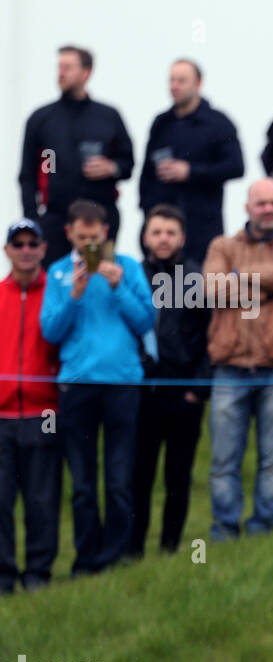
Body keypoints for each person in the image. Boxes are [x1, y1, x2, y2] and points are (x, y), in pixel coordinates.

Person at [40, 199, 155, 574]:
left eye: (94, 236)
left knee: (120, 480)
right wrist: (74, 295)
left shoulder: (129, 267)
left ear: (106, 233)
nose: (88, 242)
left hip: (123, 384)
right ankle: (86, 561)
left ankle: (116, 558)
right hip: (77, 387)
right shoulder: (57, 273)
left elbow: (145, 322)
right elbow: (50, 332)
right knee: (83, 484)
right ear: (69, 233)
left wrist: (119, 285)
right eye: (81, 236)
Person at [203, 179, 273, 540]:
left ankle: (264, 528)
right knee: (222, 461)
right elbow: (212, 289)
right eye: (260, 203)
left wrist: (241, 276)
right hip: (230, 366)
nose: (267, 209)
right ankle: (225, 529)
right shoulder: (222, 245)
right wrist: (268, 284)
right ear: (247, 208)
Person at [128, 204, 211, 557]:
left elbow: (211, 336)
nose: (163, 239)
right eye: (156, 232)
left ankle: (170, 547)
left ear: (183, 238)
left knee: (178, 476)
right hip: (142, 393)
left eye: (170, 232)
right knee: (139, 476)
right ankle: (132, 550)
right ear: (145, 236)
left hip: (184, 393)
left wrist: (198, 389)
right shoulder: (132, 276)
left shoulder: (196, 278)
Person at [19, 46, 134, 265]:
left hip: (100, 221)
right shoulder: (42, 119)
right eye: (59, 67)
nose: (61, 73)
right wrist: (34, 220)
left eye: (68, 67)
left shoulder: (108, 116)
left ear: (86, 72)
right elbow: (27, 175)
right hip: (55, 221)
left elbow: (128, 164)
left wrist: (112, 168)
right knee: (56, 283)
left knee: (100, 283)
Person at [0, 219, 60, 593]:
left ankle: (39, 573)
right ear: (7, 250)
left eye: (31, 243)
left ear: (42, 248)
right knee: (0, 503)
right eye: (17, 243)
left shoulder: (56, 294)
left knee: (42, 500)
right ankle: (4, 577)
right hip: (1, 415)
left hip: (45, 413)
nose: (25, 250)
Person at [138, 59, 244, 262]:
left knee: (198, 289)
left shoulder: (219, 123)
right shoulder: (161, 123)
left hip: (202, 227)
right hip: (162, 231)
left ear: (198, 83)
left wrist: (191, 172)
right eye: (172, 80)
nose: (174, 86)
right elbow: (146, 175)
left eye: (182, 80)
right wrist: (147, 212)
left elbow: (236, 166)